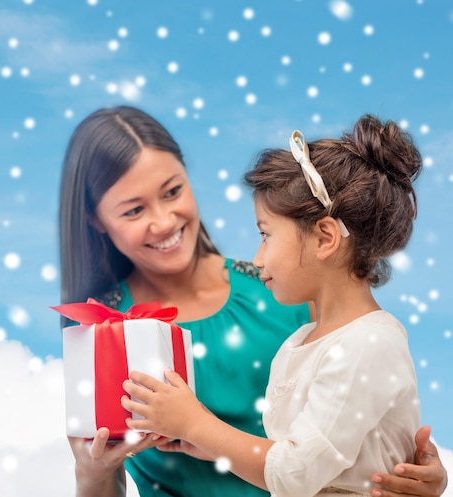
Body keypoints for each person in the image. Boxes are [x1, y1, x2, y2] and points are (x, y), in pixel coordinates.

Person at [58, 106, 448, 497]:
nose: (163, 221)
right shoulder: (103, 332)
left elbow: (360, 424)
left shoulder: (288, 291)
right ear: (96, 219)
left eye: (172, 191)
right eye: (134, 209)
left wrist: (415, 473)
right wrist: (90, 474)